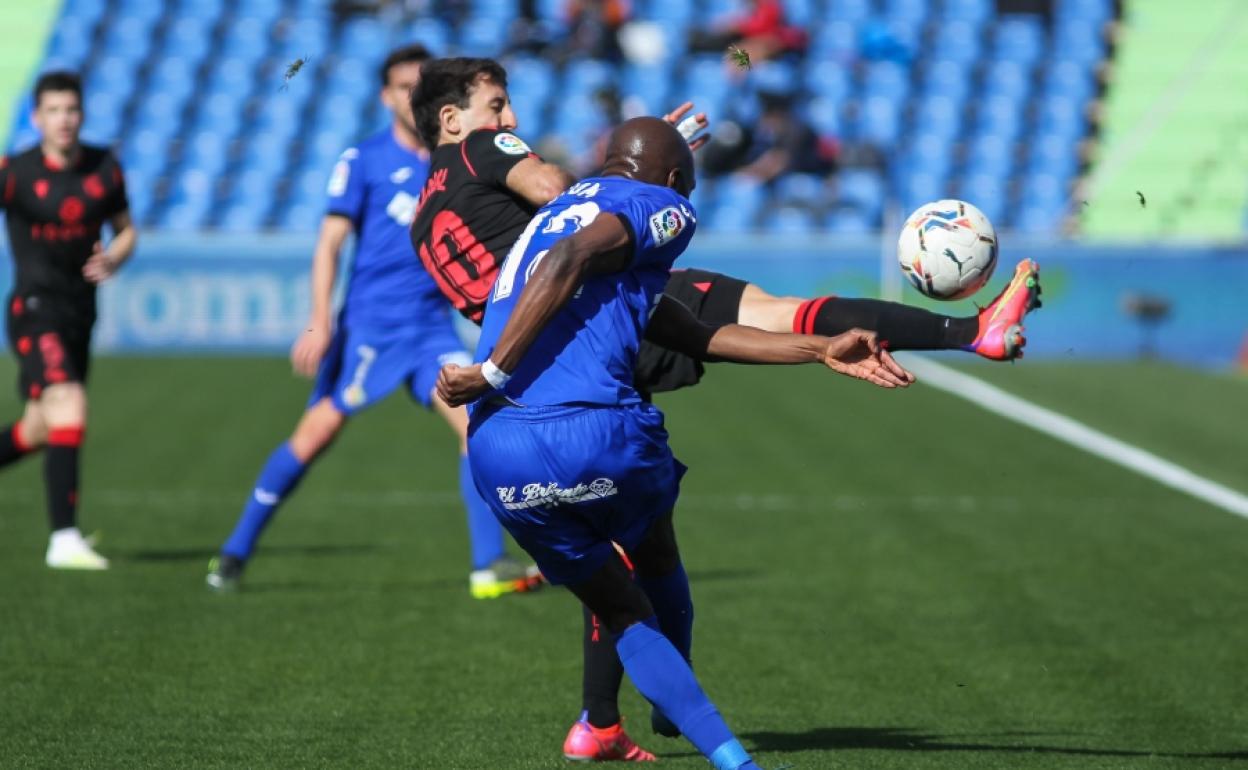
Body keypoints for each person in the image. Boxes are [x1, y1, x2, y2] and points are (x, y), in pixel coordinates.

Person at [408, 56, 1041, 759]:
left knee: (615, 547)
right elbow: (561, 194)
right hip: (593, 310)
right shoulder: (483, 148)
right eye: (497, 105)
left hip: (536, 356)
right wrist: (645, 166)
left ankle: (600, 720)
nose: (511, 122)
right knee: (781, 314)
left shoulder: (424, 221)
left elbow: (520, 261)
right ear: (451, 119)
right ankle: (970, 332)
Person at [436, 116, 913, 770]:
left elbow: (691, 332)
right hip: (593, 430)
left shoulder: (549, 221)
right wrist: (493, 369)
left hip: (498, 450)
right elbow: (572, 259)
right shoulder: (659, 203)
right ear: (672, 178)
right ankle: (676, 695)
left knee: (623, 611)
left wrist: (819, 347)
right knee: (656, 552)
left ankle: (709, 738)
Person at [206, 45, 540, 599]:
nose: (414, 98)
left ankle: (488, 564)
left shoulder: (458, 161)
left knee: (475, 426)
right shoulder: (364, 160)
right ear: (387, 97)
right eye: (403, 88)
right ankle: (236, 551)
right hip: (371, 328)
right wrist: (319, 319)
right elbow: (330, 243)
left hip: (430, 329)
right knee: (315, 435)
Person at [0, 71, 135, 570]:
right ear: (37, 118)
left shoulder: (105, 168)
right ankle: (63, 538)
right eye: (53, 111)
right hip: (34, 309)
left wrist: (116, 258)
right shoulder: (14, 172)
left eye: (71, 110)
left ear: (82, 115)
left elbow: (126, 231)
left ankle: (64, 534)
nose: (64, 120)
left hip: (80, 314)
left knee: (40, 428)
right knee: (69, 402)